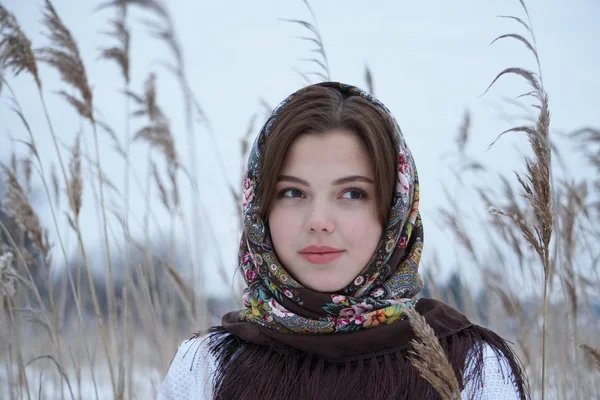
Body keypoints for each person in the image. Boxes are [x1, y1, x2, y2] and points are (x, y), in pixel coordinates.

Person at [158, 82, 530, 400]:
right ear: (260, 208)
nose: (318, 222)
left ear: (394, 211)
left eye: (352, 194)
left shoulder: (473, 366)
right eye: (291, 192)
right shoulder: (207, 366)